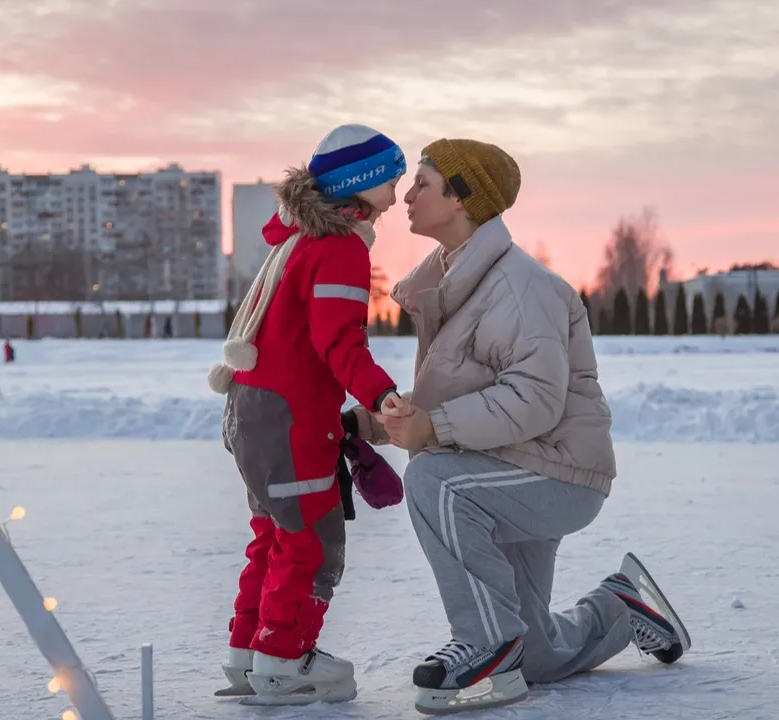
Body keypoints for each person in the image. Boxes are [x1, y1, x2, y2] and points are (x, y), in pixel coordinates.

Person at [349, 138, 690, 714]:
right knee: (540, 657)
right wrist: (371, 423)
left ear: (462, 198)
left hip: (553, 472)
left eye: (424, 183)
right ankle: (623, 606)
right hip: (507, 465)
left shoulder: (517, 286)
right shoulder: (457, 285)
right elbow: (460, 398)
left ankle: (486, 645)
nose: (407, 195)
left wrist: (433, 429)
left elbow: (534, 399)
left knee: (434, 480)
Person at [207, 124, 410, 705]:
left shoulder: (293, 241)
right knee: (311, 542)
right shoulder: (340, 248)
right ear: (360, 184)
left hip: (253, 413)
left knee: (273, 534)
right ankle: (285, 660)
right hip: (290, 418)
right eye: (390, 181)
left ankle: (248, 655)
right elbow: (338, 339)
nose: (395, 196)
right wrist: (380, 395)